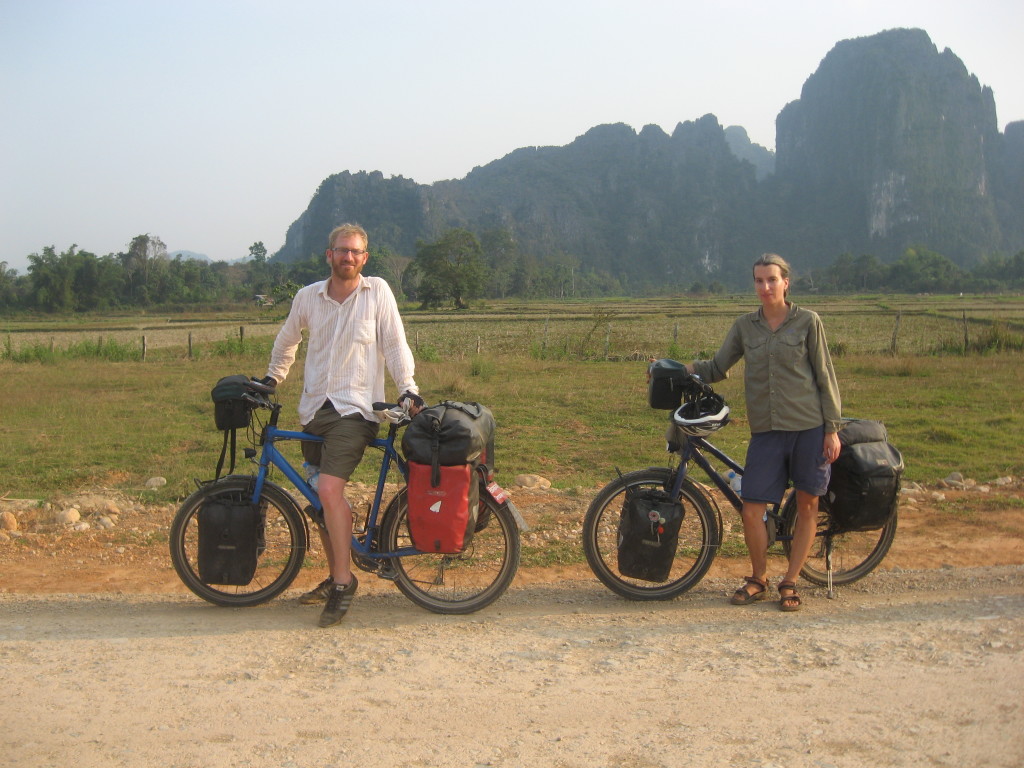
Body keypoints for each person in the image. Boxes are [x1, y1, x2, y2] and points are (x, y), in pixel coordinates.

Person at [262, 223, 423, 627]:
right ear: (329, 255)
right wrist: (270, 380)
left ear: (364, 259)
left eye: (355, 252)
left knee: (330, 489)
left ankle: (343, 583)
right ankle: (338, 568)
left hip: (355, 412)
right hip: (315, 412)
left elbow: (394, 342)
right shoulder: (307, 298)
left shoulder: (377, 292)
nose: (348, 257)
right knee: (319, 500)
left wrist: (408, 387)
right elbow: (287, 341)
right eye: (341, 251)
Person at [685, 253, 842, 612]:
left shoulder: (807, 322)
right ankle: (758, 578)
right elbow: (716, 367)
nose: (765, 287)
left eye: (772, 279)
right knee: (752, 508)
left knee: (807, 504)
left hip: (808, 427)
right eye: (759, 280)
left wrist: (831, 430)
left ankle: (790, 581)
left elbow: (825, 377)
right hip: (767, 431)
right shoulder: (745, 327)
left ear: (786, 282)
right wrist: (676, 368)